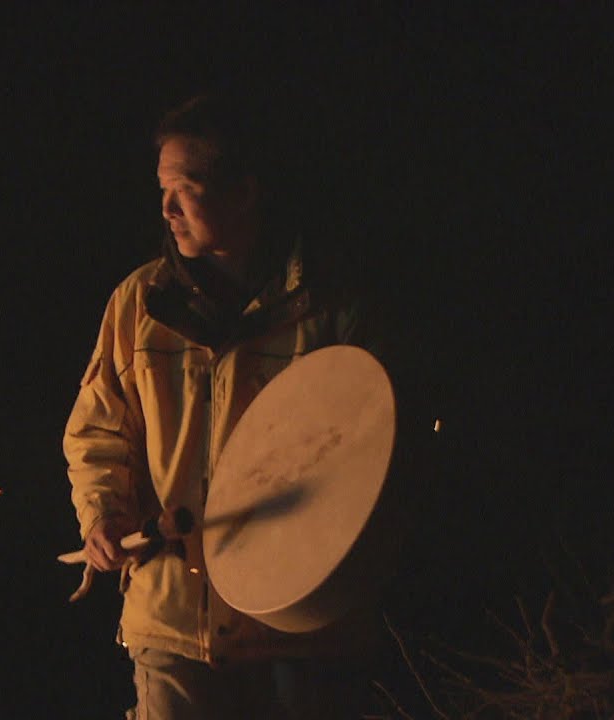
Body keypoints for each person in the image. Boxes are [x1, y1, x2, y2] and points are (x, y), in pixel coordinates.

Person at [63, 93, 387, 719]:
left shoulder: (330, 310)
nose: (166, 209)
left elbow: (374, 453)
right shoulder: (140, 303)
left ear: (243, 192)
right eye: (162, 190)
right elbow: (99, 431)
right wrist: (104, 514)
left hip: (302, 630)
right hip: (173, 626)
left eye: (184, 190)